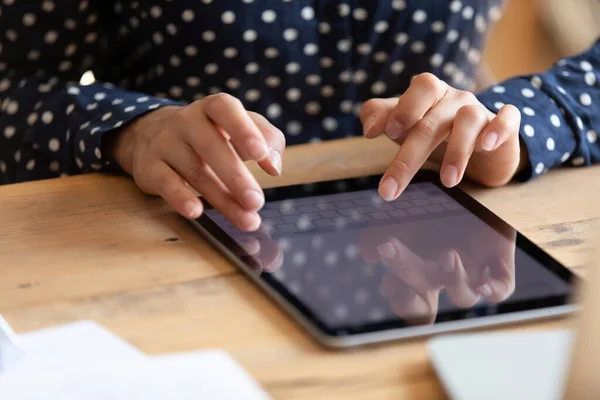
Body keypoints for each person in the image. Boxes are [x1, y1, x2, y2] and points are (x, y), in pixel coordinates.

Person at [0, 1, 598, 233]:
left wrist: (521, 124)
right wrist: (133, 130)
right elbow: (16, 82)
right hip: (170, 236)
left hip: (449, 235)